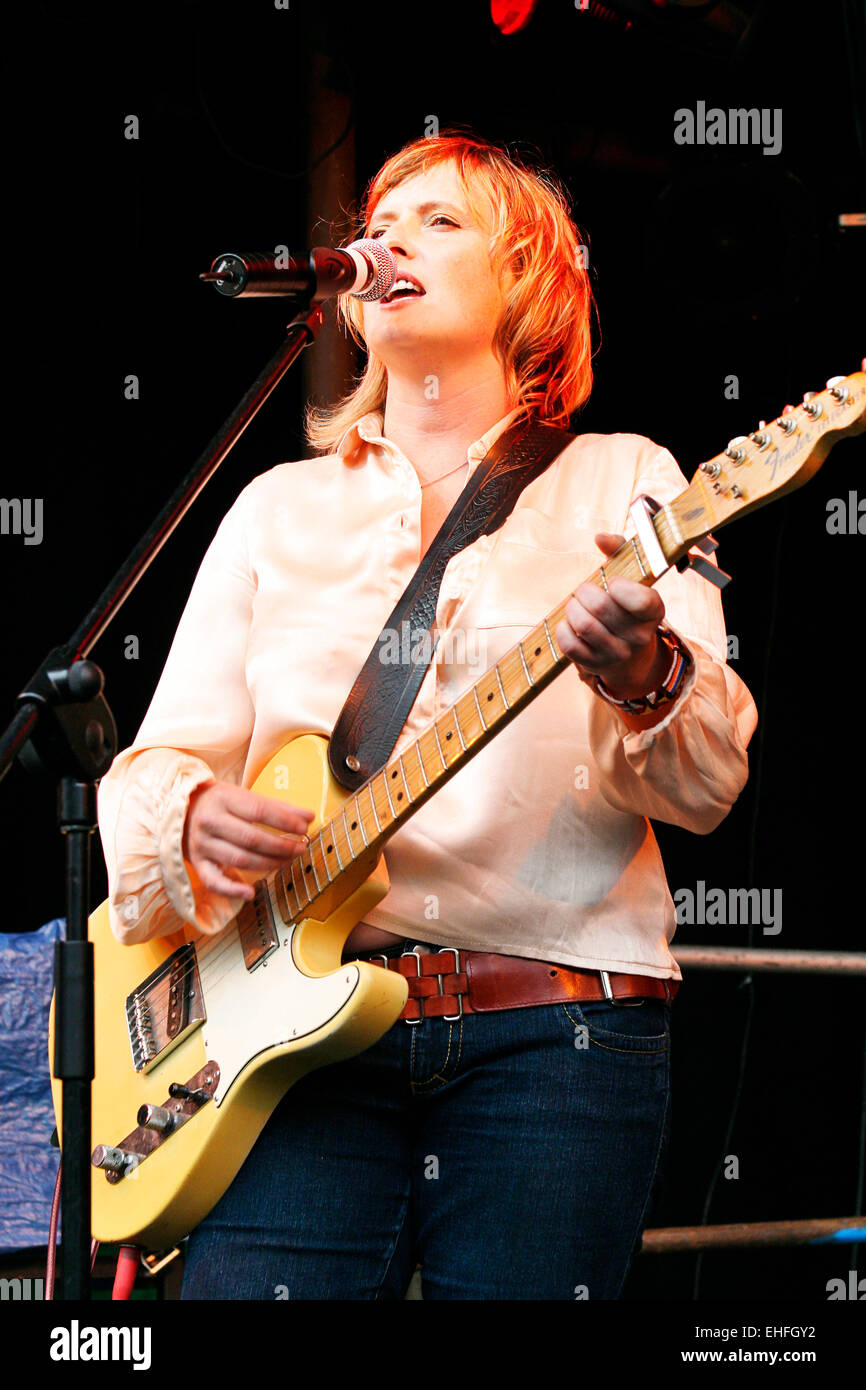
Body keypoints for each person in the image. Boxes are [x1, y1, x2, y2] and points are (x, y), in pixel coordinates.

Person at [97, 131, 758, 1300]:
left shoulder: (627, 478)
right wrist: (189, 820)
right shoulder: (273, 508)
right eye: (381, 218)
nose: (389, 236)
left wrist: (643, 669)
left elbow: (702, 785)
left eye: (440, 221)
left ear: (531, 279)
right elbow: (150, 767)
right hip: (289, 1044)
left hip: (551, 1035)